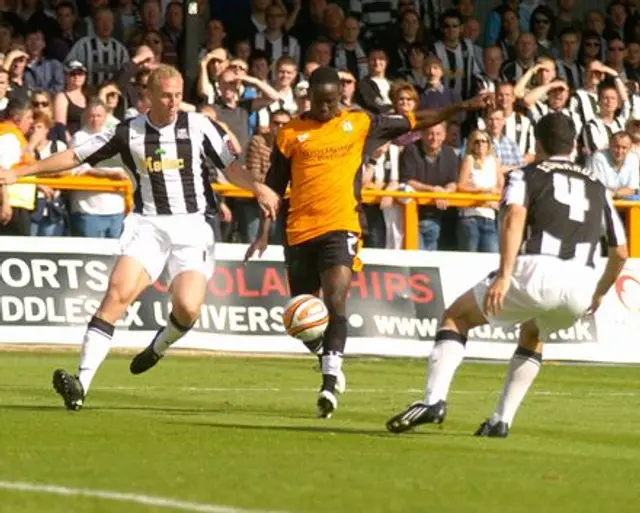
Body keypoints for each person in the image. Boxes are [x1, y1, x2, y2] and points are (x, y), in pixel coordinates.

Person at [0, 65, 280, 412]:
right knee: (117, 294)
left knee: (189, 307)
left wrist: (258, 187)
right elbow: (75, 156)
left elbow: (232, 168)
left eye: (179, 95)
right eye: (167, 95)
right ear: (148, 96)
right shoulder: (128, 132)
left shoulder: (199, 126)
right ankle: (80, 384)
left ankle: (159, 346)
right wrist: (20, 172)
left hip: (193, 227)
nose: (175, 102)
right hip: (147, 224)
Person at [244, 66, 491, 419]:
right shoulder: (289, 133)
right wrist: (263, 232)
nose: (326, 107)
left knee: (336, 297)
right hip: (299, 230)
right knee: (301, 316)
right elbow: (272, 189)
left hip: (341, 225)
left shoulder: (360, 124)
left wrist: (462, 106)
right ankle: (326, 355)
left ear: (340, 99)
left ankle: (329, 382)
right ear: (308, 99)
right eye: (319, 101)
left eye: (332, 101)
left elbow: (420, 119)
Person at [386, 113, 628, 438]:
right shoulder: (599, 186)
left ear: (538, 143)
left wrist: (504, 274)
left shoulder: (528, 174)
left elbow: (514, 215)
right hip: (583, 283)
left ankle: (434, 401)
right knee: (533, 334)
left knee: (455, 318)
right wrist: (599, 292)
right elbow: (622, 251)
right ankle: (501, 420)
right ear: (573, 146)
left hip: (537, 269)